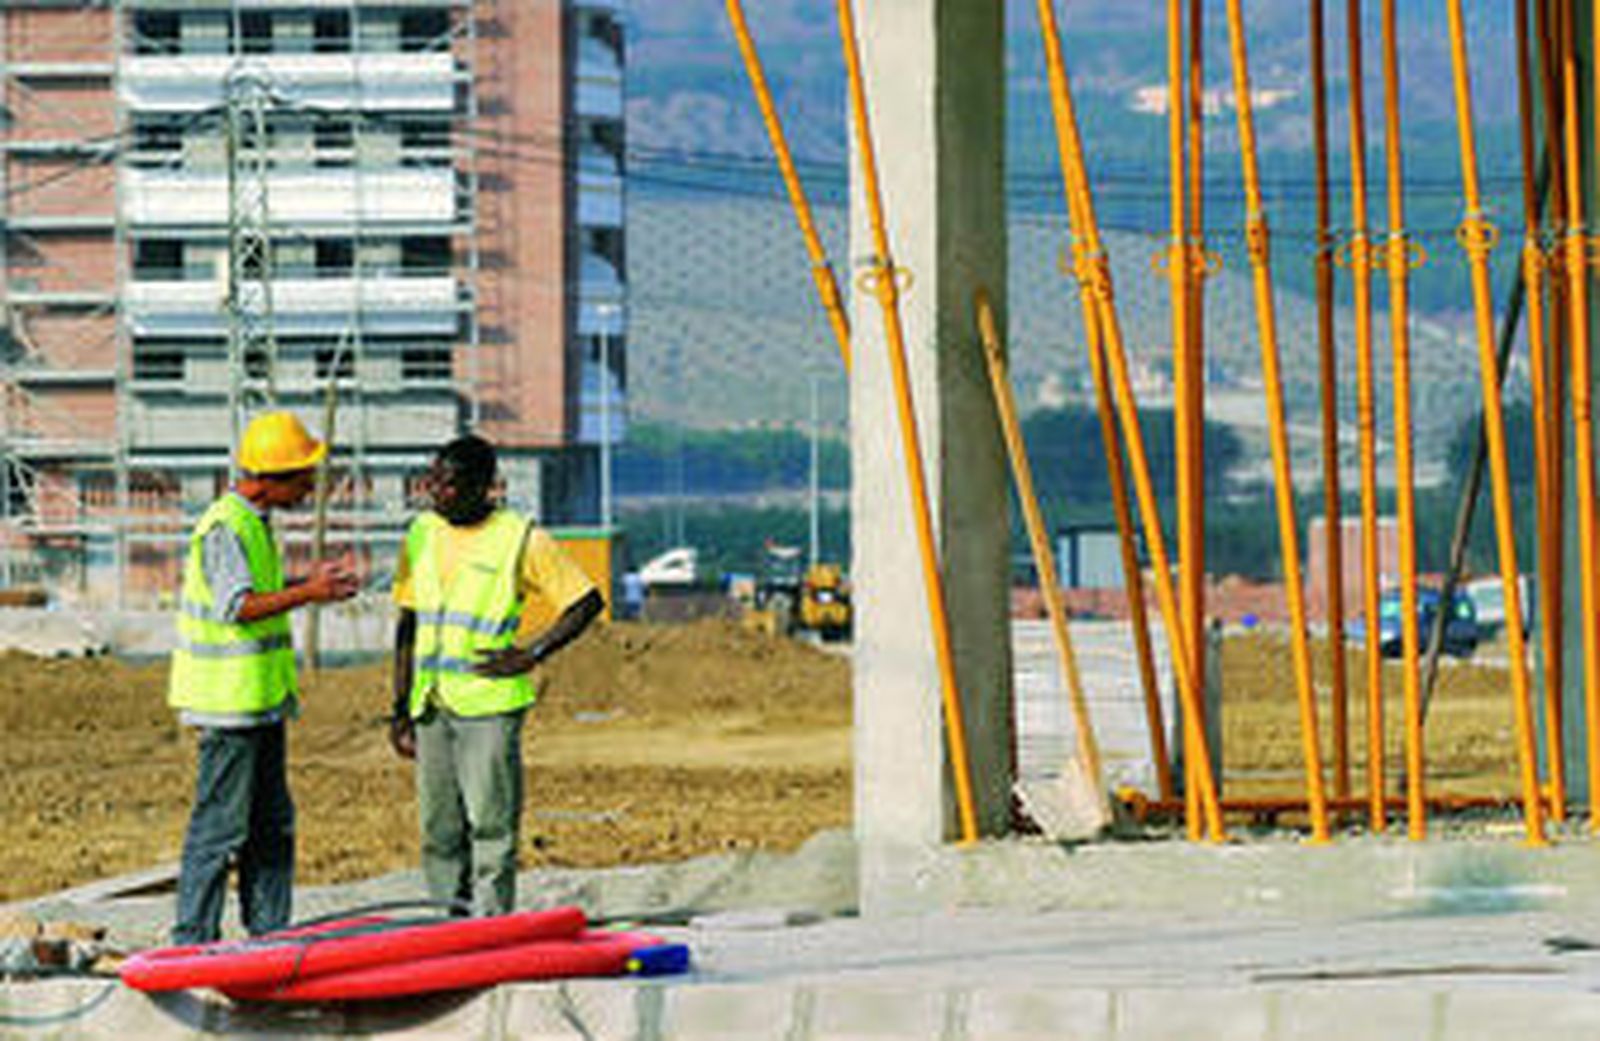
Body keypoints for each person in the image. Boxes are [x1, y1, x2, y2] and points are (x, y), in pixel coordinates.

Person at [389, 434, 603, 916]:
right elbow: (407, 625)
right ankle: (449, 923)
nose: (437, 493)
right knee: (439, 829)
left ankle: (489, 925)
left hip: (489, 705)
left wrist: (532, 652)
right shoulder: (421, 533)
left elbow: (585, 602)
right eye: (433, 482)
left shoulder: (521, 537)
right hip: (432, 704)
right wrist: (399, 710)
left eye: (450, 484)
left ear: (487, 487)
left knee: (490, 826)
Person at [168, 411, 360, 944]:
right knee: (221, 826)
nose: (308, 488)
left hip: (261, 701)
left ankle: (270, 935)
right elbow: (239, 606)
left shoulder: (253, 523)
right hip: (230, 707)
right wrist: (310, 593)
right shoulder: (227, 526)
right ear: (270, 477)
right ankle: (193, 940)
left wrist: (306, 584)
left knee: (272, 825)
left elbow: (260, 596)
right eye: (301, 477)